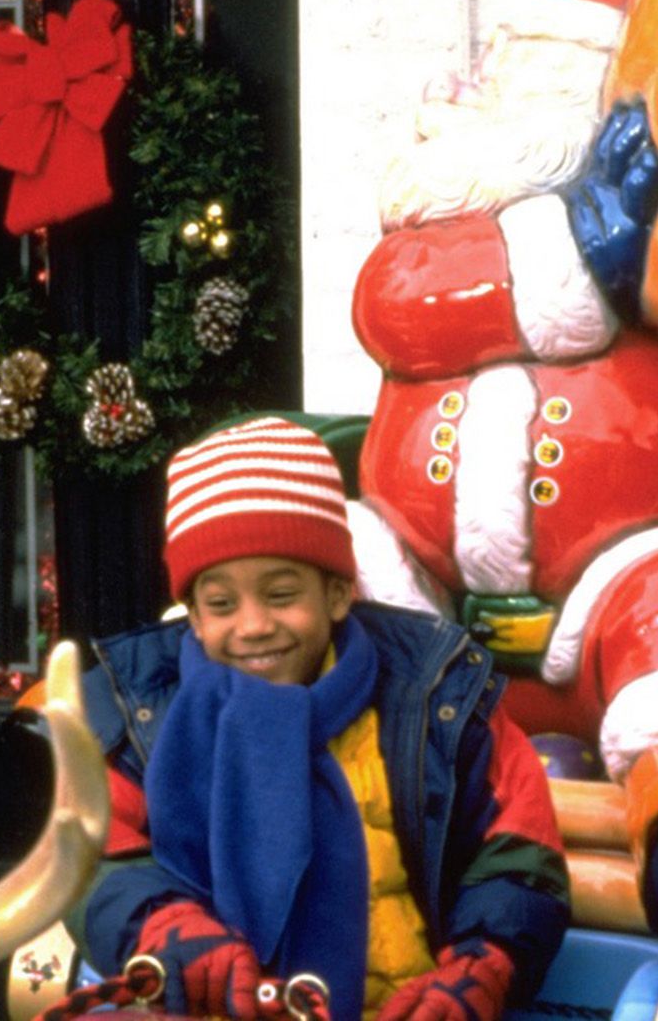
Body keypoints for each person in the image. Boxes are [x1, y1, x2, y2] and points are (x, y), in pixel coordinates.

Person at [69, 417, 570, 1021]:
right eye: (221, 604)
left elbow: (518, 851)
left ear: (337, 594)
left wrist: (480, 970)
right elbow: (92, 853)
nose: (253, 626)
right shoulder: (136, 710)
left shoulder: (437, 697)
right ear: (194, 616)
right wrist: (167, 926)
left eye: (282, 595)